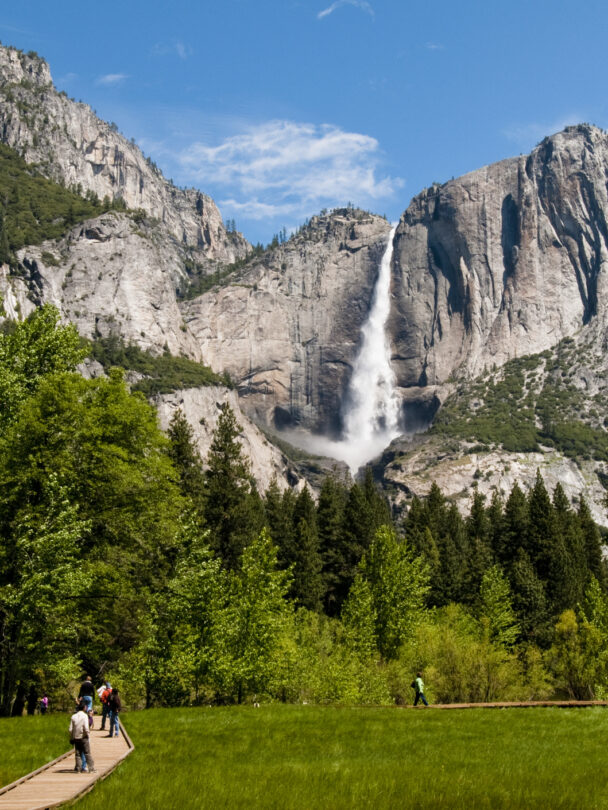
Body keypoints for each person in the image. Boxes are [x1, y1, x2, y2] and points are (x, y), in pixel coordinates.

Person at [69, 700, 96, 773]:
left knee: (78, 754)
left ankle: (78, 769)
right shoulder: (85, 716)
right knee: (87, 753)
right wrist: (88, 735)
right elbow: (86, 728)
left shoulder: (73, 716)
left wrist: (72, 737)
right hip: (83, 737)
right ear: (84, 707)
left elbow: (70, 729)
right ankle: (91, 768)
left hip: (76, 737)